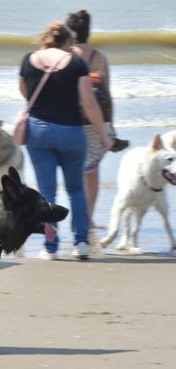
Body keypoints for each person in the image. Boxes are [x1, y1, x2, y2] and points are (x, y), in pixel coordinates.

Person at [19, 21, 109, 260]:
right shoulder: (77, 63)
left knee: (47, 192)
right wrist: (102, 133)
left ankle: (51, 247)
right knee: (76, 189)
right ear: (68, 42)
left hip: (38, 132)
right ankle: (81, 243)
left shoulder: (28, 60)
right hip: (71, 132)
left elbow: (24, 91)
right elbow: (89, 103)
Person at [66, 10, 129, 229]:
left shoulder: (65, 55)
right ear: (88, 31)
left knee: (73, 171)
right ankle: (88, 218)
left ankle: (76, 217)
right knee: (91, 171)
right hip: (96, 121)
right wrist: (110, 127)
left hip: (70, 119)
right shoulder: (99, 58)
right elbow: (107, 94)